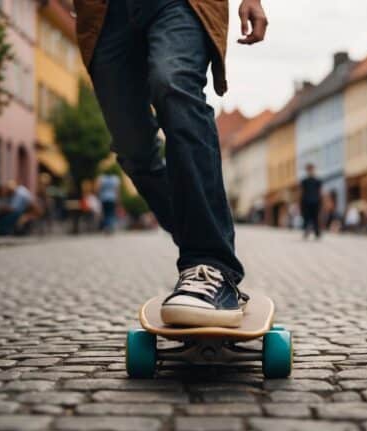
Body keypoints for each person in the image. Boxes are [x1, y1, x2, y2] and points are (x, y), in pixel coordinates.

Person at [75, 0, 268, 327]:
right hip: (106, 13)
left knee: (174, 84)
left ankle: (210, 265)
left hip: (179, 5)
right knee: (132, 146)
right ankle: (203, 241)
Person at [300, 163, 322, 240]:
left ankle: (317, 232)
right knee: (307, 218)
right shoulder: (304, 181)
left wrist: (320, 202)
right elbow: (302, 193)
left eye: (311, 169)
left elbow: (320, 192)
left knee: (315, 218)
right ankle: (307, 231)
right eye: (309, 170)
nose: (311, 171)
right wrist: (301, 203)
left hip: (315, 202)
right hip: (306, 202)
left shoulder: (317, 181)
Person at [98, 168, 121, 233]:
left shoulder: (101, 178)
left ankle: (107, 227)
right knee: (111, 213)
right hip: (112, 198)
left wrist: (99, 196)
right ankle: (110, 227)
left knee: (105, 213)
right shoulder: (115, 179)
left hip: (104, 198)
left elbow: (98, 188)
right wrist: (118, 199)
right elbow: (117, 190)